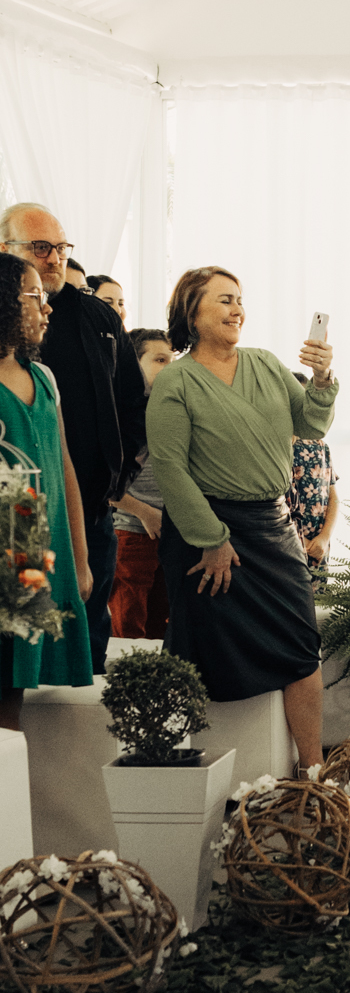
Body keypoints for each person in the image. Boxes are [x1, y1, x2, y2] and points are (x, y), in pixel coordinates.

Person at [146, 267, 337, 772]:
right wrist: (211, 538)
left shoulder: (267, 365)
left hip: (273, 531)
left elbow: (310, 424)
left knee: (302, 645)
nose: (237, 310)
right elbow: (170, 467)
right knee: (197, 651)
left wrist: (321, 379)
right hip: (203, 532)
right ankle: (179, 770)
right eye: (224, 300)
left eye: (240, 300)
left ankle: (311, 771)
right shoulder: (175, 381)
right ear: (192, 312)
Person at [0, 205, 145, 674]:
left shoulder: (98, 320)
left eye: (61, 248)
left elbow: (130, 405)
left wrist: (117, 482)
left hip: (82, 517)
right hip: (19, 530)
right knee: (17, 660)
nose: (55, 257)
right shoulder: (19, 356)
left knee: (79, 654)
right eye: (41, 248)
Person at [0, 252, 93, 729]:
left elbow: (64, 470)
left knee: (13, 685)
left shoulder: (44, 377)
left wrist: (79, 556)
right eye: (34, 296)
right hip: (6, 548)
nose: (47, 307)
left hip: (38, 555)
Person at [110, 329, 174, 639]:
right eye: (159, 359)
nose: (169, 367)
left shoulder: (170, 409)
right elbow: (102, 481)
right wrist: (144, 513)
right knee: (128, 627)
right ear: (134, 363)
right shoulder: (121, 412)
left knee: (162, 627)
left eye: (172, 360)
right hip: (132, 533)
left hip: (171, 533)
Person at [286, 373, 339, 584]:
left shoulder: (321, 447)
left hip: (318, 549)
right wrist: (302, 542)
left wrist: (324, 538)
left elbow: (333, 498)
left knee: (316, 608)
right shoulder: (276, 449)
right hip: (287, 545)